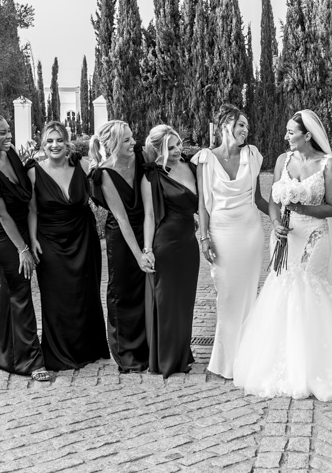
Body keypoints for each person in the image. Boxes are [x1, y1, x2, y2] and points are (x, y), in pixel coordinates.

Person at [233, 110, 332, 402]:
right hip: (284, 235)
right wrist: (276, 223)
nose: (286, 136)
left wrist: (302, 210)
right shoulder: (283, 161)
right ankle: (281, 365)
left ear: (307, 135)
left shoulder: (328, 164)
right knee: (281, 289)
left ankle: (318, 366)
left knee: (309, 288)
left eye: (290, 132)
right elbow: (273, 200)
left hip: (314, 235)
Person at [0, 113, 48, 381]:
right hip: (1, 235)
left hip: (21, 228)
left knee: (9, 289)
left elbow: (27, 200)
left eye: (8, 131)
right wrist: (22, 250)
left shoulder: (11, 153)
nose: (8, 136)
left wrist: (30, 237)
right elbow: (2, 215)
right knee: (20, 288)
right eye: (1, 133)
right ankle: (30, 361)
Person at [26, 121, 109, 371]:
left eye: (59, 140)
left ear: (67, 143)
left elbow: (106, 180)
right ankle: (60, 351)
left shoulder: (82, 166)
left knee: (85, 291)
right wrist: (32, 240)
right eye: (50, 141)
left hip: (84, 237)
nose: (55, 145)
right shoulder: (33, 171)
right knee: (56, 295)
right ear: (43, 144)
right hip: (49, 240)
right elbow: (31, 209)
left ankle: (89, 348)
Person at [195, 106, 267, 378]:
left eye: (247, 126)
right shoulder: (205, 159)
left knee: (248, 295)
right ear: (225, 125)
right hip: (222, 232)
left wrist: (284, 216)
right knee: (225, 295)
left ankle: (247, 359)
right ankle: (223, 361)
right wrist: (204, 237)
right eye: (240, 125)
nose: (245, 130)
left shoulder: (252, 155)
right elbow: (202, 205)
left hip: (250, 232)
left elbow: (259, 199)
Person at [89, 120, 152, 373]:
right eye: (126, 140)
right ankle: (125, 353)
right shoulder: (104, 174)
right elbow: (122, 217)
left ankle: (147, 347)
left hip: (145, 229)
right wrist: (139, 255)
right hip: (121, 235)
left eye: (132, 137)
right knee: (122, 291)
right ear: (113, 144)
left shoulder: (140, 157)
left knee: (143, 290)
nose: (133, 142)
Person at [141, 124, 199, 377]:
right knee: (165, 302)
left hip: (188, 242)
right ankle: (165, 358)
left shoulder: (192, 167)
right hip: (165, 243)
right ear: (158, 149)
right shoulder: (151, 175)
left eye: (178, 145)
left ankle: (182, 353)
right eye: (171, 147)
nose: (177, 150)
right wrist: (146, 249)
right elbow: (150, 215)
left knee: (185, 302)